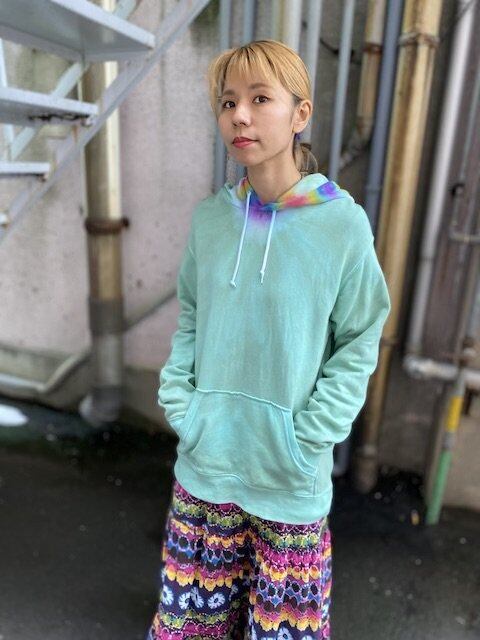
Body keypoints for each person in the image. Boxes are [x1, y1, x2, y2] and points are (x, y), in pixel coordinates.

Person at [147, 39, 391, 640]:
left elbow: (359, 338)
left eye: (260, 99)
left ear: (300, 113)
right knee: (190, 630)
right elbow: (192, 318)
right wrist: (184, 406)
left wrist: (309, 436)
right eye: (228, 102)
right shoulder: (210, 220)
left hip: (288, 480)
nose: (240, 116)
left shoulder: (341, 225)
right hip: (206, 469)